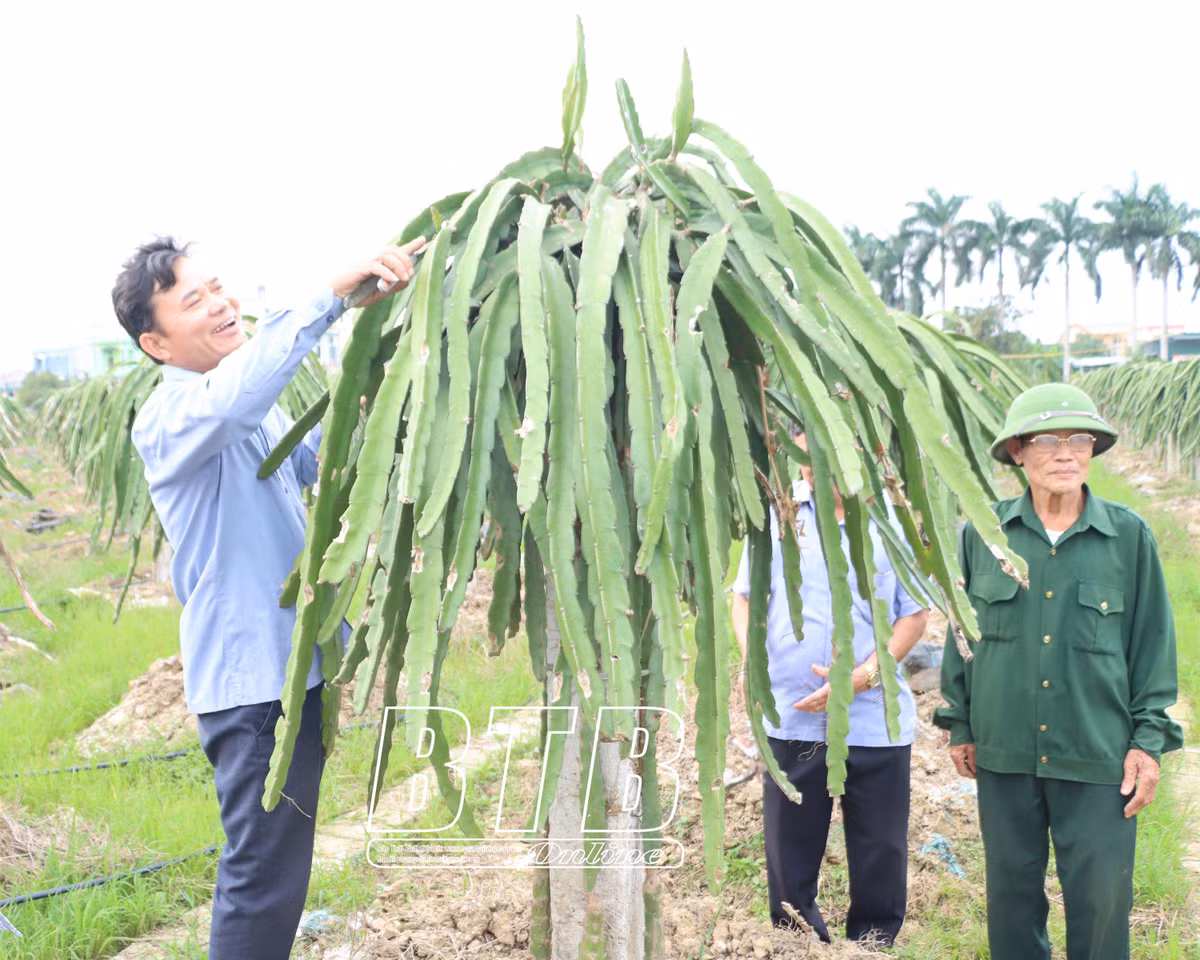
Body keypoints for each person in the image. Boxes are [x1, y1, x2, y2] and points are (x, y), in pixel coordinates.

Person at [112, 234, 424, 960]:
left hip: (292, 667)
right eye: (195, 300)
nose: (222, 304)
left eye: (218, 286)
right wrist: (329, 300)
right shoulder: (176, 419)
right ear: (156, 343)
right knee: (263, 876)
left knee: (279, 870)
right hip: (251, 682)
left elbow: (311, 462)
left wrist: (379, 391)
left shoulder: (248, 408)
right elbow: (236, 401)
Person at [933, 382, 1184, 960]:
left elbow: (1151, 650)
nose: (1065, 452)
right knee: (1012, 898)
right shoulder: (983, 534)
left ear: (1093, 449)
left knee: (1100, 904)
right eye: (1047, 439)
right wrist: (960, 723)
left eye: (1079, 438)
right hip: (1005, 752)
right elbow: (961, 633)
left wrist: (1147, 745)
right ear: (1017, 452)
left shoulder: (1128, 538)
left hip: (1097, 755)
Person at [731, 432, 929, 946]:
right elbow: (745, 598)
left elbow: (914, 615)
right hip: (792, 716)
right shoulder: (778, 515)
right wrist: (753, 665)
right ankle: (799, 947)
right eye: (808, 448)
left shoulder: (892, 521)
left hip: (874, 717)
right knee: (789, 856)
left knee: (881, 851)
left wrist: (860, 677)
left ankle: (872, 948)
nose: (819, 461)